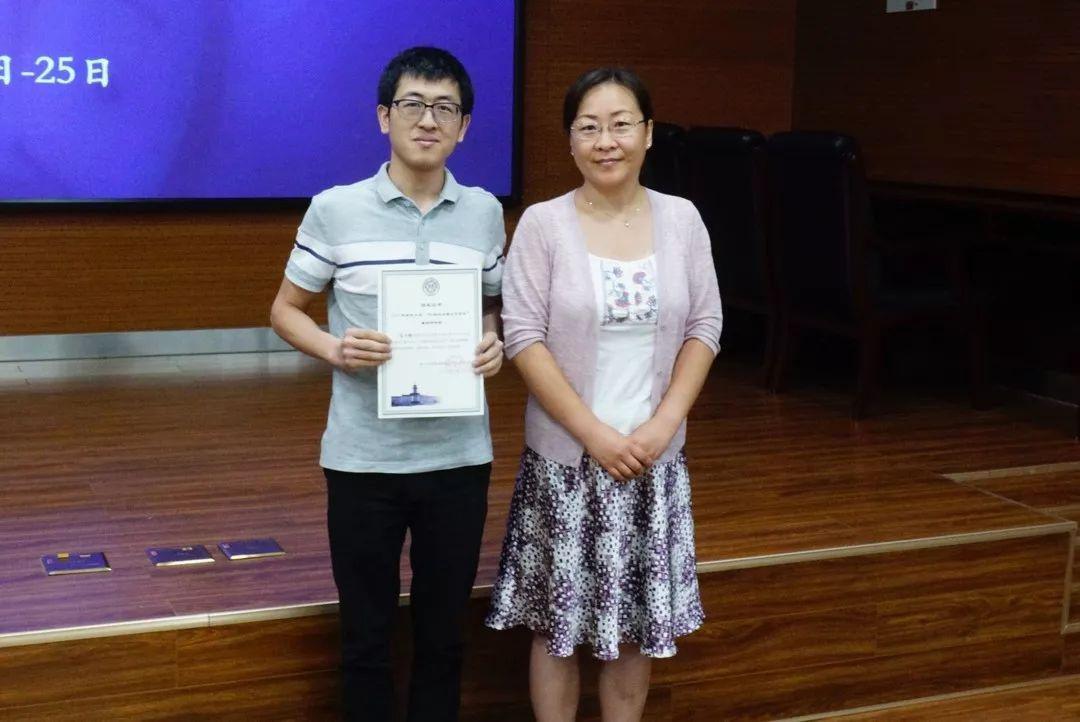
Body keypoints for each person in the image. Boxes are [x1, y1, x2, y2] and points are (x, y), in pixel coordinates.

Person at [269, 46, 506, 722]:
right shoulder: (335, 209)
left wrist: (492, 342)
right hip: (363, 461)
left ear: (463, 126)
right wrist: (336, 349)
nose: (428, 120)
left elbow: (491, 304)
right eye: (413, 105)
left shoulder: (484, 213)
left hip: (459, 459)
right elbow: (285, 310)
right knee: (366, 639)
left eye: (445, 108)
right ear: (383, 116)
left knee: (444, 638)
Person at [485, 67, 722, 721]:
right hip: (566, 465)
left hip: (651, 463)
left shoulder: (682, 219)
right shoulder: (543, 224)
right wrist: (594, 436)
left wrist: (662, 426)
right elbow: (523, 337)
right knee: (556, 630)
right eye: (588, 127)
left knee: (636, 629)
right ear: (570, 141)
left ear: (648, 133)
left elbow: (705, 326)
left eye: (621, 125)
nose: (605, 141)